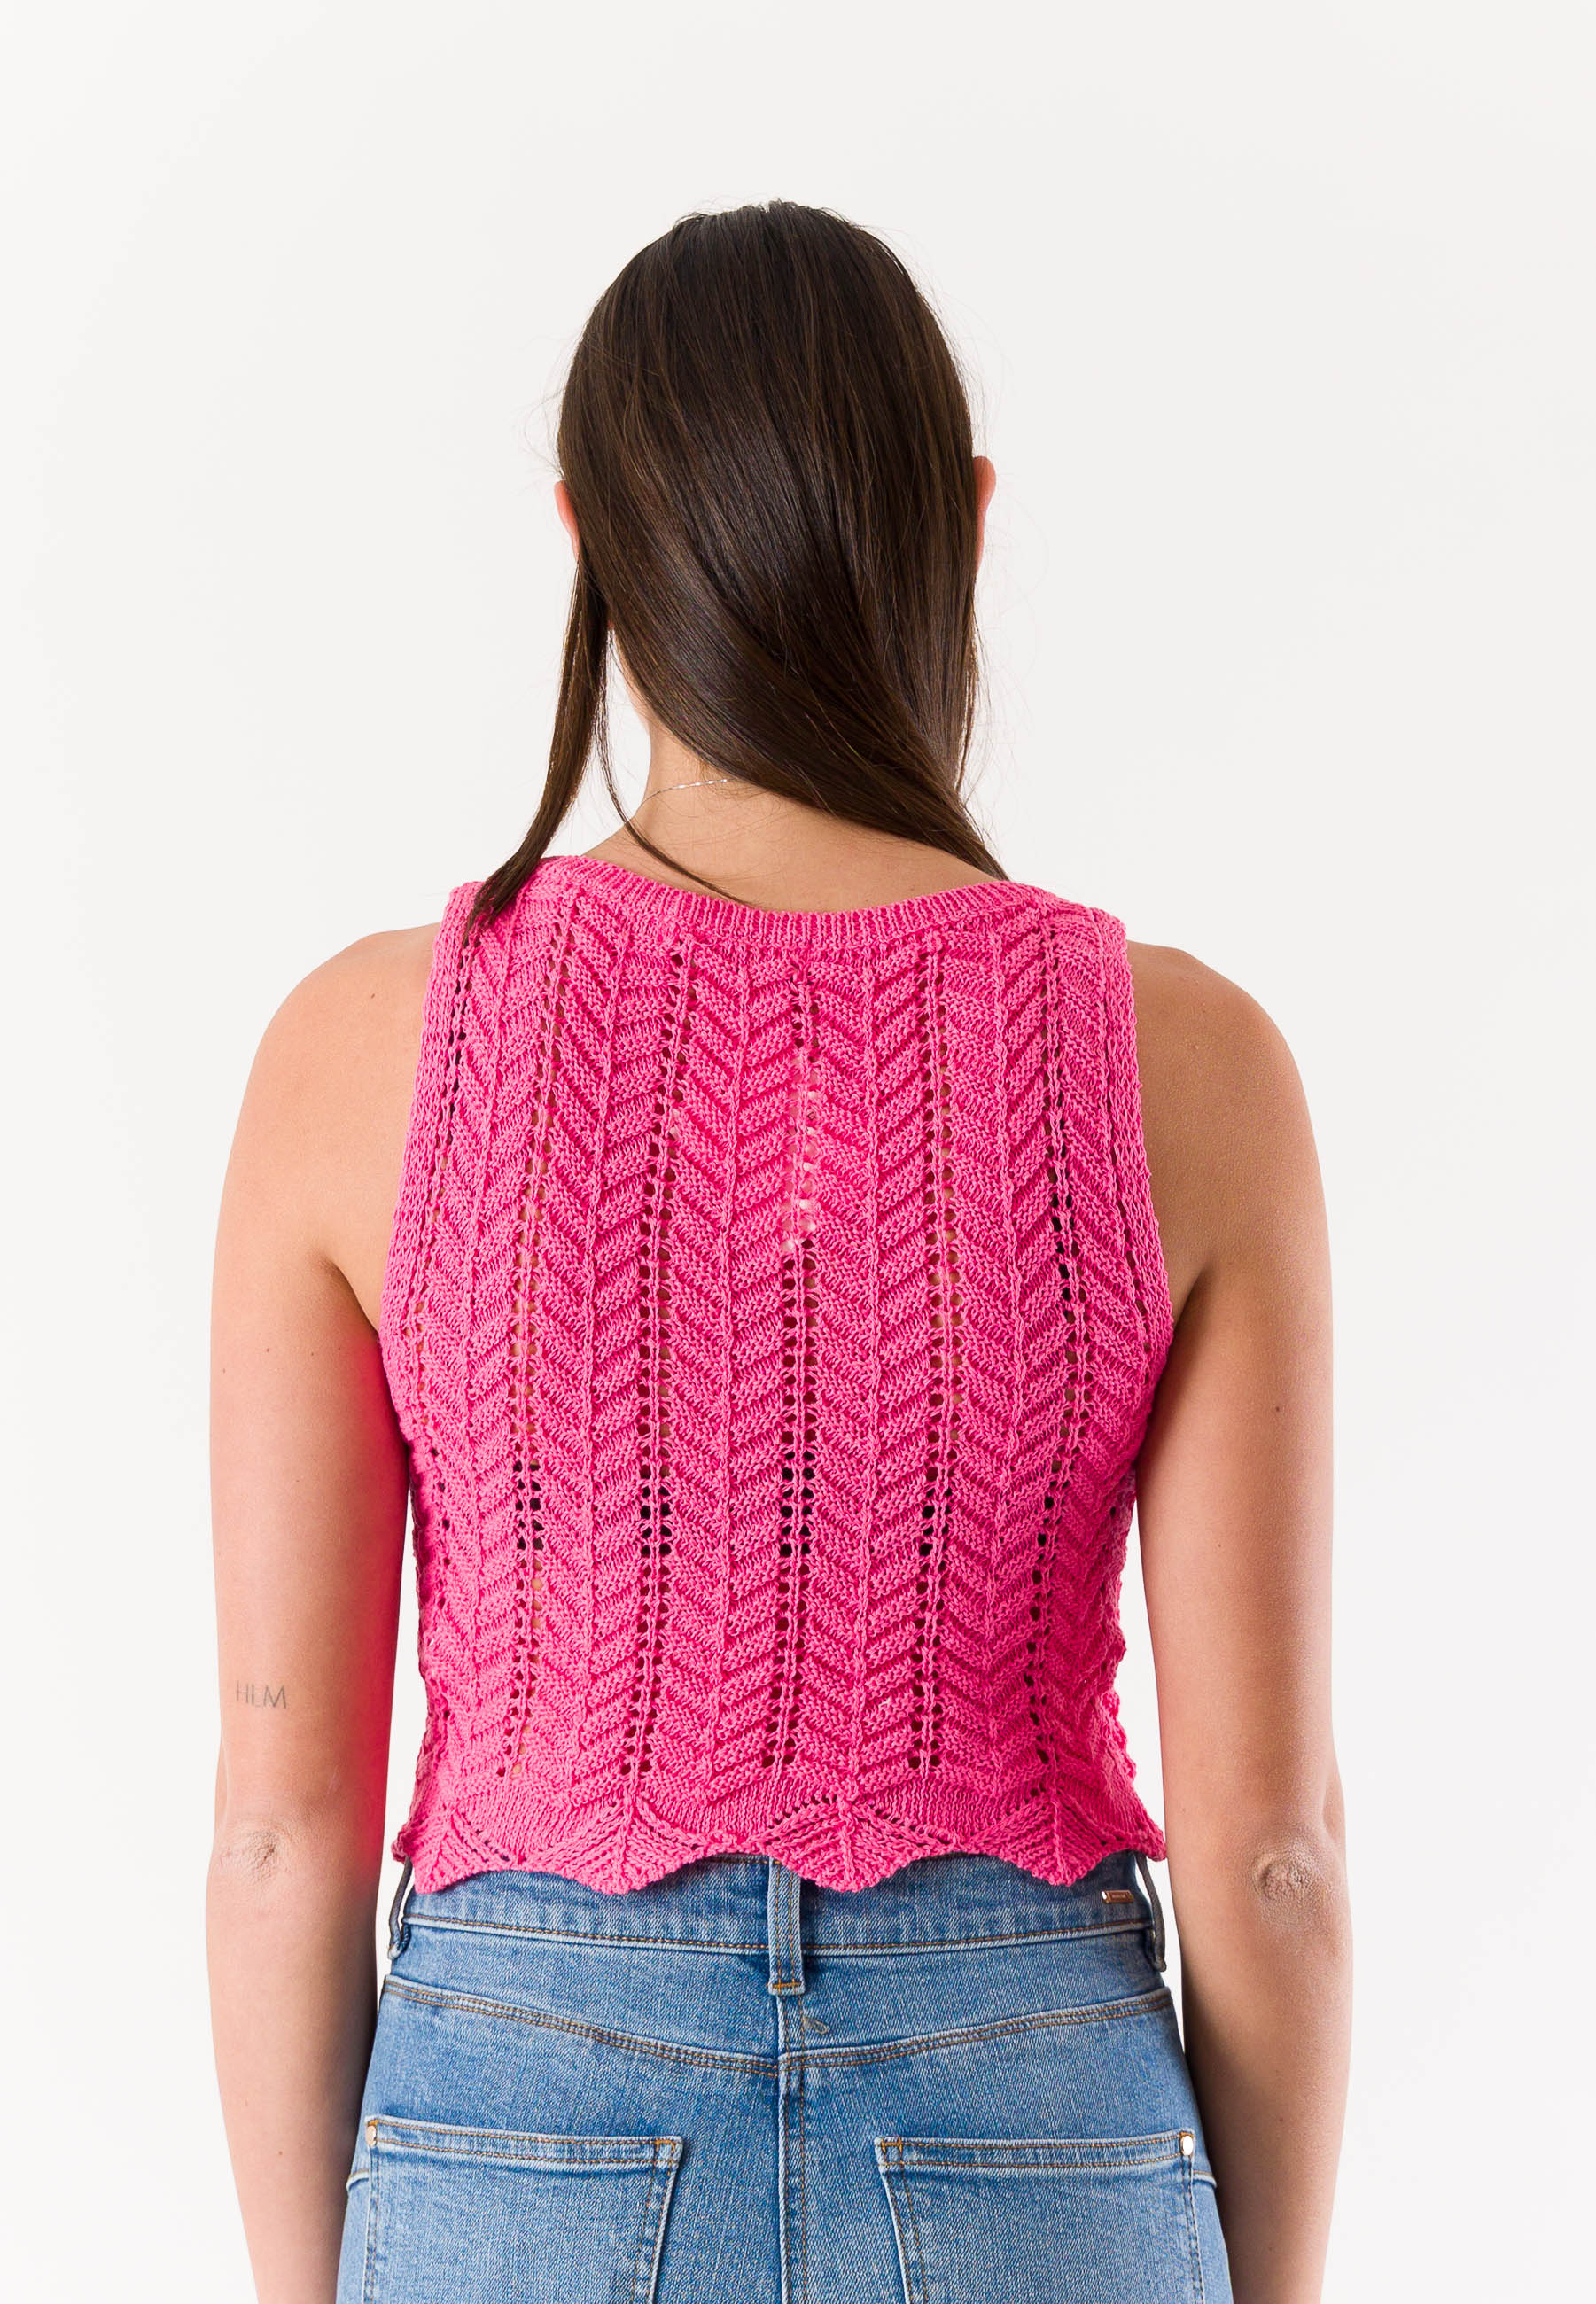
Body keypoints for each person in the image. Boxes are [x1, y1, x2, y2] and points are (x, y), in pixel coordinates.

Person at [207, 201, 1351, 2304]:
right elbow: (1271, 1853)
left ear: (584, 534)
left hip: (519, 2107)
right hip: (1032, 2109)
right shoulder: (1183, 1062)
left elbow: (283, 1828)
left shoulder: (360, 1051)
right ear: (966, 526)